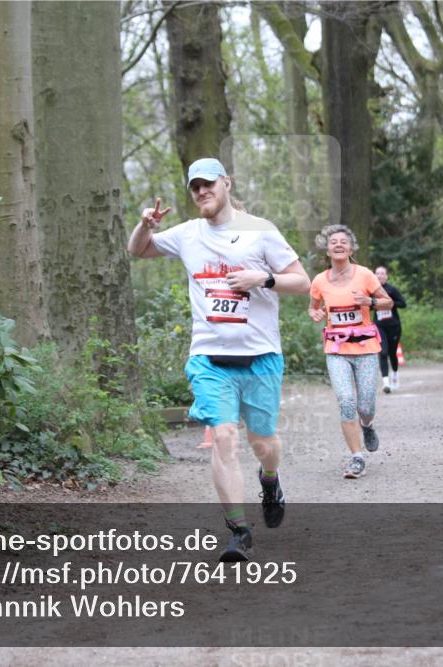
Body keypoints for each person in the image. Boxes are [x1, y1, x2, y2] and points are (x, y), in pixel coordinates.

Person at [127, 157, 311, 562]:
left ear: (226, 183)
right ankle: (239, 531)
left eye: (208, 184)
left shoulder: (260, 232)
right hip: (209, 358)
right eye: (194, 187)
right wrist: (145, 225)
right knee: (223, 439)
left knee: (263, 444)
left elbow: (303, 282)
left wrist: (261, 279)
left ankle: (270, 480)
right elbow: (138, 251)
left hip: (260, 356)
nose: (201, 192)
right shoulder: (188, 234)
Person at [309, 225, 393, 479]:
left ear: (351, 248)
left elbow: (387, 301)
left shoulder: (365, 275)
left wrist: (370, 302)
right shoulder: (320, 280)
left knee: (365, 405)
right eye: (333, 241)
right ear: (327, 249)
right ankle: (357, 457)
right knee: (346, 402)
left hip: (366, 348)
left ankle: (367, 426)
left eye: (343, 241)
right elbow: (313, 308)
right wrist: (316, 313)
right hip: (336, 350)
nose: (338, 244)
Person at [372, 266, 407, 393]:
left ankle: (395, 375)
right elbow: (367, 306)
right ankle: (385, 382)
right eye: (377, 273)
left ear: (386, 276)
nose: (380, 275)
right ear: (374, 276)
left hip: (394, 327)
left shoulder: (391, 289)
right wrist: (373, 304)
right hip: (379, 326)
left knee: (392, 354)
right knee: (383, 352)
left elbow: (403, 303)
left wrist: (390, 303)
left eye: (382, 273)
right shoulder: (371, 291)